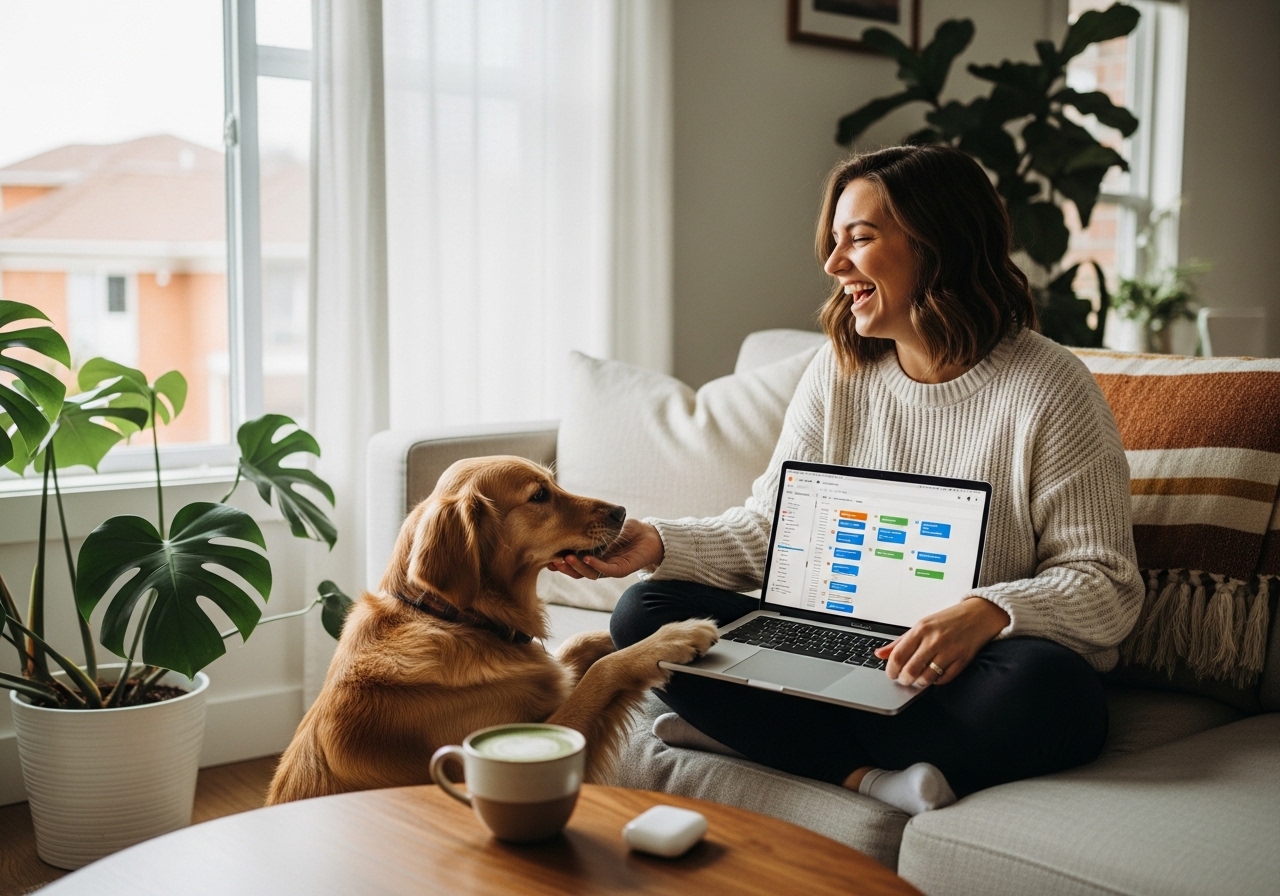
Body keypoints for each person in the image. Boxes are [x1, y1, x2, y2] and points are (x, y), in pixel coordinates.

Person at [549, 144, 1144, 815]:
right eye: (834, 242)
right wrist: (655, 544)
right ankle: (864, 773)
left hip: (954, 674)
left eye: (859, 239)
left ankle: (759, 735)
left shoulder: (1051, 388)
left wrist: (988, 612)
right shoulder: (838, 373)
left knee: (1054, 693)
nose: (834, 265)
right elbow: (771, 530)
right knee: (646, 613)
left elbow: (1106, 582)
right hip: (828, 640)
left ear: (939, 244)